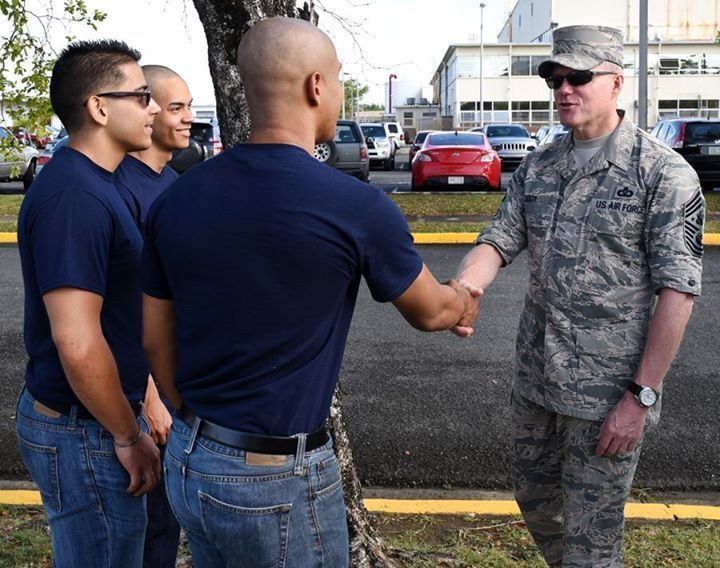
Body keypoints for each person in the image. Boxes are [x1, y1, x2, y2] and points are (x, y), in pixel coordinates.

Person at [141, 16, 478, 568]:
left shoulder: (176, 198)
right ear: (315, 86)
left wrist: (201, 427)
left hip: (190, 457)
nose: (340, 91)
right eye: (340, 78)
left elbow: (155, 340)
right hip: (273, 479)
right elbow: (431, 311)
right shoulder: (355, 206)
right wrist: (465, 297)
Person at [456, 25, 705, 567]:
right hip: (537, 382)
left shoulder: (662, 174)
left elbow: (677, 293)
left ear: (616, 84)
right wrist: (465, 288)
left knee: (593, 541)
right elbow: (498, 240)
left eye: (579, 78)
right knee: (539, 505)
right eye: (556, 79)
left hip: (607, 396)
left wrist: (640, 397)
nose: (564, 90)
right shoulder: (542, 166)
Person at [16, 40, 162, 567]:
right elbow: (76, 341)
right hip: (85, 430)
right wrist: (127, 434)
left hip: (100, 420)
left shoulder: (104, 183)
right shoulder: (74, 197)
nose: (153, 107)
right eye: (141, 95)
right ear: (99, 108)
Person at [115, 64, 194, 568]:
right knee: (144, 529)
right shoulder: (122, 187)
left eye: (189, 106)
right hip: (147, 393)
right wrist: (151, 401)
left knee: (166, 525)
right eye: (175, 108)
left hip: (178, 378)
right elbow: (124, 307)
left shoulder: (174, 182)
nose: (188, 119)